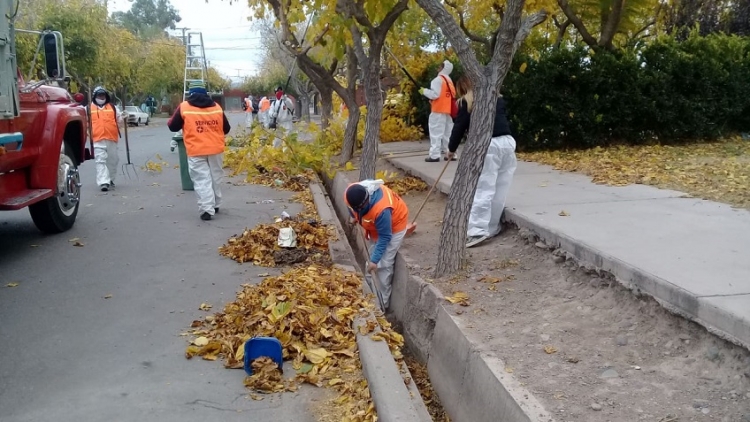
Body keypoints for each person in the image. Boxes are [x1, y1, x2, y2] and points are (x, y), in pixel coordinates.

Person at [445, 75, 517, 248]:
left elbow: (459, 127)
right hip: (507, 142)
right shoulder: (496, 98)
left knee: (483, 187)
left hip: (488, 145)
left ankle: (477, 231)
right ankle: (492, 227)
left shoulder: (466, 102)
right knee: (500, 187)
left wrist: (451, 149)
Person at [167, 81, 231, 221]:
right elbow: (226, 128)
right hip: (215, 149)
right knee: (215, 176)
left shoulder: (184, 107)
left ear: (190, 93)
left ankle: (207, 209)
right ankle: (216, 204)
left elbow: (172, 126)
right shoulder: (216, 107)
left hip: (196, 149)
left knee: (202, 179)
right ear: (205, 92)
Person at [345, 179, 409, 310]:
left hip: (394, 225)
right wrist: (353, 216)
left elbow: (385, 237)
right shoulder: (350, 192)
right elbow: (350, 207)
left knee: (384, 264)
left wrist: (375, 260)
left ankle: (381, 305)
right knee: (373, 261)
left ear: (367, 198)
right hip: (375, 226)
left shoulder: (382, 210)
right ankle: (369, 292)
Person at [90, 86, 125, 192]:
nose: (101, 97)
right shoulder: (88, 109)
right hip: (97, 139)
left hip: (111, 138)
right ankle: (103, 182)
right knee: (100, 160)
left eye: (103, 95)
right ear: (95, 96)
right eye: (99, 95)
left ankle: (110, 179)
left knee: (113, 160)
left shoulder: (113, 108)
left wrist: (123, 117)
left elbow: (119, 121)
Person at [419, 60, 455, 163]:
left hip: (438, 110)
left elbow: (435, 95)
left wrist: (424, 91)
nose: (437, 68)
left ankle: (434, 155)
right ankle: (451, 153)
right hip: (448, 111)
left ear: (442, 68)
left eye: (439, 66)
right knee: (448, 133)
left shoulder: (437, 80)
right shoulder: (449, 80)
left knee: (436, 133)